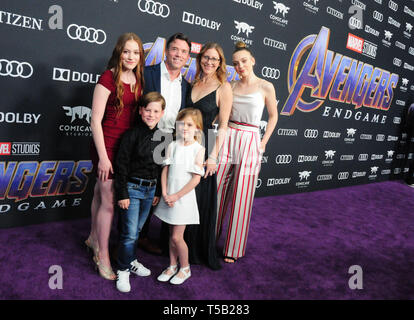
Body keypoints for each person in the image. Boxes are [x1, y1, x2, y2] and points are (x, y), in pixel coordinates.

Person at [86, 33, 145, 280]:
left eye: (136, 52)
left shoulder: (139, 79)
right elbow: (95, 120)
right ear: (119, 53)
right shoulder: (108, 77)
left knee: (101, 194)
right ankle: (103, 257)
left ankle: (92, 238)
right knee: (109, 200)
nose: (131, 57)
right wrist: (103, 157)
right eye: (126, 51)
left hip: (126, 148)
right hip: (107, 145)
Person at [216, 41, 279, 263]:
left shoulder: (266, 86)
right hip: (228, 134)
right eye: (235, 63)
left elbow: (273, 116)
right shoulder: (230, 86)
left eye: (243, 61)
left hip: (251, 138)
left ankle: (233, 248)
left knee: (242, 195)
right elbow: (221, 114)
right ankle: (209, 239)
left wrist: (263, 142)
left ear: (252, 61)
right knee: (216, 189)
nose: (240, 66)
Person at [139, 32, 192, 254]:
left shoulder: (187, 87)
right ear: (166, 51)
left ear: (188, 57)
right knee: (139, 190)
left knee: (161, 191)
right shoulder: (147, 73)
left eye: (184, 51)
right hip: (145, 137)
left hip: (170, 141)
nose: (178, 54)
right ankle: (130, 239)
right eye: (175, 49)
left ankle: (149, 237)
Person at [185, 43, 232, 270]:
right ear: (200, 58)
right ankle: (176, 243)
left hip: (203, 148)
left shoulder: (223, 88)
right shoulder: (192, 82)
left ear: (220, 63)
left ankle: (196, 248)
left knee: (198, 199)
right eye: (206, 57)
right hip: (181, 144)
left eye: (215, 59)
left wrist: (213, 156)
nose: (209, 62)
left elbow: (223, 125)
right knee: (181, 192)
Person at [114, 92, 165, 293]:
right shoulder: (131, 135)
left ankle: (131, 260)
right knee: (129, 233)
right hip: (132, 189)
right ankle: (123, 269)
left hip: (150, 189)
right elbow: (121, 165)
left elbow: (161, 168)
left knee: (137, 232)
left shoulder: (164, 136)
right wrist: (122, 194)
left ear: (162, 113)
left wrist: (157, 192)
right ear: (141, 111)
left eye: (156, 111)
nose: (151, 114)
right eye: (148, 110)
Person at [154, 108, 205, 285]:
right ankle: (172, 265)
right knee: (171, 234)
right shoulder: (172, 145)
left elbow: (196, 180)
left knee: (177, 237)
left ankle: (185, 267)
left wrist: (176, 195)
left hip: (183, 198)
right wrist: (165, 193)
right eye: (181, 123)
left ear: (197, 128)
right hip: (169, 197)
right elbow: (165, 171)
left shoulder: (198, 149)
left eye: (189, 125)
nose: (184, 128)